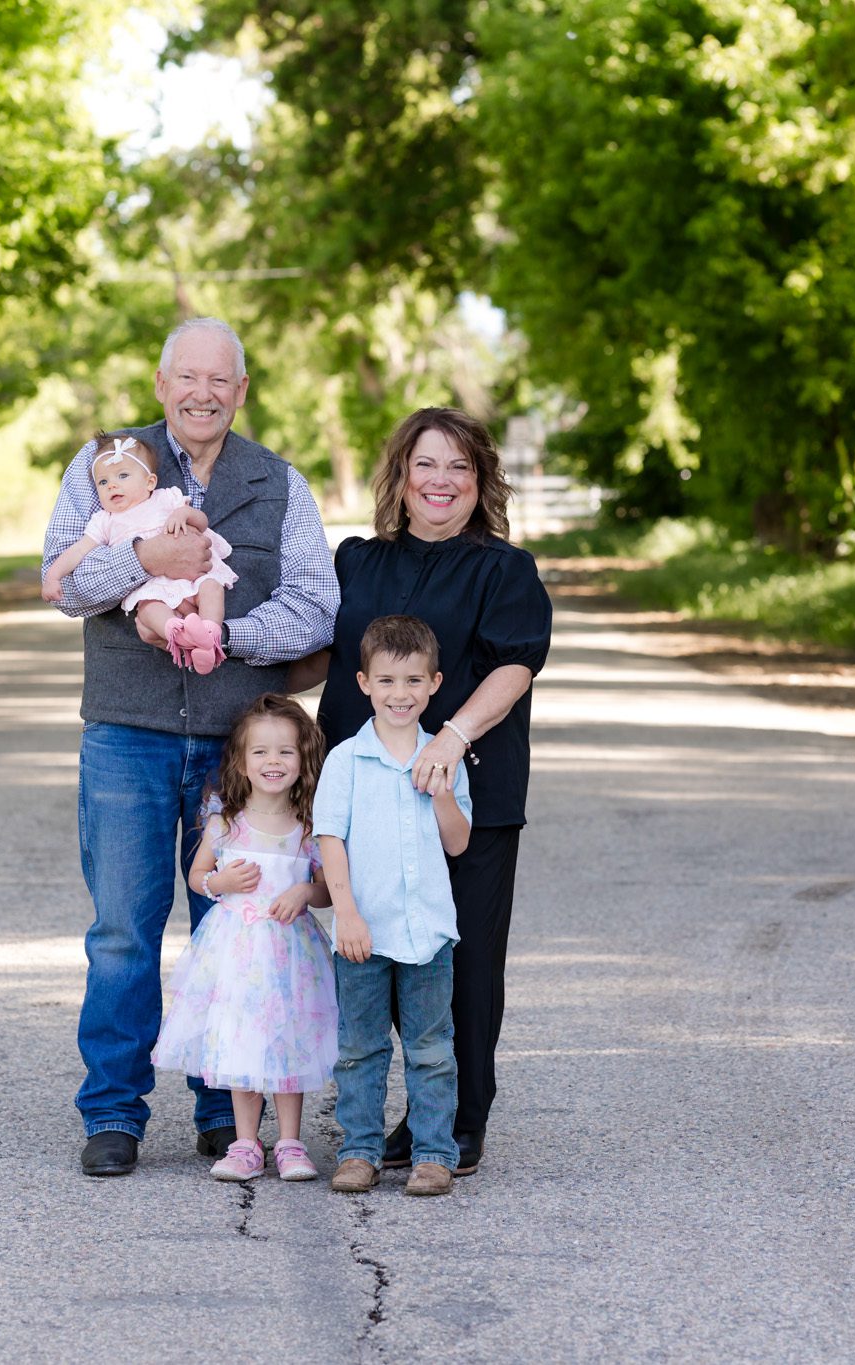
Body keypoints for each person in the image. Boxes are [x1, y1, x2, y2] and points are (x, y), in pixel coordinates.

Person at [43, 317, 339, 1178]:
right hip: (125, 736)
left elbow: (316, 606)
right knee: (123, 933)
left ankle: (228, 1112)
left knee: (237, 924)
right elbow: (65, 584)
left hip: (238, 752)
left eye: (221, 380)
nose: (203, 393)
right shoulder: (105, 464)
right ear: (162, 382)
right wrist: (143, 555)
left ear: (242, 391)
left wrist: (223, 635)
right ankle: (112, 1114)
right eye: (188, 378)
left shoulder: (278, 483)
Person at [300, 407, 551, 1179]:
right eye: (427, 465)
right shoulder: (355, 562)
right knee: (370, 950)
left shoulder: (504, 570)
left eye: (460, 468)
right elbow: (322, 656)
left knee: (463, 959)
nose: (442, 481)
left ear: (481, 483)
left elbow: (516, 665)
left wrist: (454, 735)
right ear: (401, 477)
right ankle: (378, 1122)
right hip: (365, 796)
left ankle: (456, 1120)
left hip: (464, 793)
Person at [314, 615, 473, 1197]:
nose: (399, 694)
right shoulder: (345, 762)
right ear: (363, 683)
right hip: (363, 930)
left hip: (427, 931)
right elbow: (330, 839)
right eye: (386, 681)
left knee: (431, 1047)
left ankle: (434, 1153)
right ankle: (360, 1150)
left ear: (434, 683)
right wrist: (346, 913)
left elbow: (458, 842)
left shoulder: (442, 758)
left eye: (412, 681)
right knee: (359, 1047)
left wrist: (445, 795)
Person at [152, 695, 338, 1182]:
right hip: (237, 952)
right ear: (240, 760)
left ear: (304, 760)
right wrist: (222, 883)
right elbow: (197, 878)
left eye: (285, 752)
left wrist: (305, 889)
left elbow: (328, 891)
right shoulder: (225, 823)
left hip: (291, 952)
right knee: (242, 1042)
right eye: (260, 752)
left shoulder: (309, 827)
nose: (273, 763)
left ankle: (291, 1143)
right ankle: (245, 1143)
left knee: (288, 1041)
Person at [41, 432, 238, 674]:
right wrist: (53, 576)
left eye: (123, 476)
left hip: (193, 577)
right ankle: (178, 634)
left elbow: (201, 521)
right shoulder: (104, 521)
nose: (112, 485)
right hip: (153, 586)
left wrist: (183, 514)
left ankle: (209, 635)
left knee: (212, 587)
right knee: (148, 609)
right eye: (103, 482)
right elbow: (77, 551)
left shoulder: (165, 499)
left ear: (150, 482)